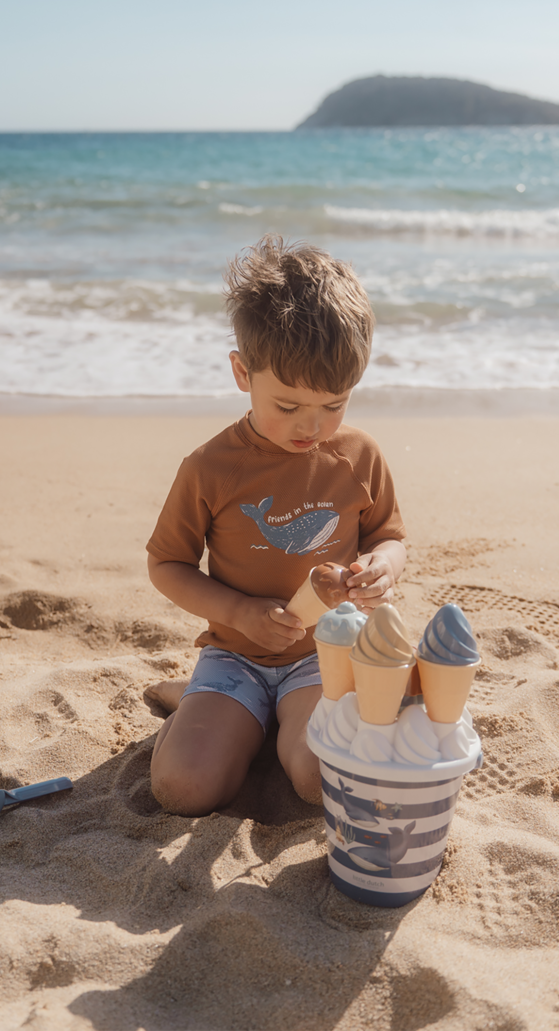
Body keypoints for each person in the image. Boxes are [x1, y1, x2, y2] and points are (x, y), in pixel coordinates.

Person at [144, 235, 408, 816]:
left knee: (319, 780)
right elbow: (166, 565)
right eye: (287, 406)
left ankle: (242, 718)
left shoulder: (359, 456)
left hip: (325, 656)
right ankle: (197, 702)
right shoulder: (210, 468)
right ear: (243, 372)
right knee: (185, 790)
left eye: (334, 404)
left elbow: (389, 535)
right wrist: (238, 613)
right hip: (234, 655)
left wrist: (381, 570)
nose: (311, 426)